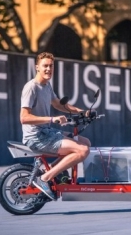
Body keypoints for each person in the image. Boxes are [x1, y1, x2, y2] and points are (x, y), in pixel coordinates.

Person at [20, 52, 91, 200]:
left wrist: (82, 112)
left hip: (46, 132)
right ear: (37, 67)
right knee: (82, 151)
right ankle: (44, 178)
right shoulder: (31, 87)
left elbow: (58, 104)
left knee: (86, 143)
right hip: (36, 137)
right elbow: (24, 118)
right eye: (45, 66)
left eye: (51, 66)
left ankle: (52, 171)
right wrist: (52, 119)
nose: (48, 69)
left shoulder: (46, 85)